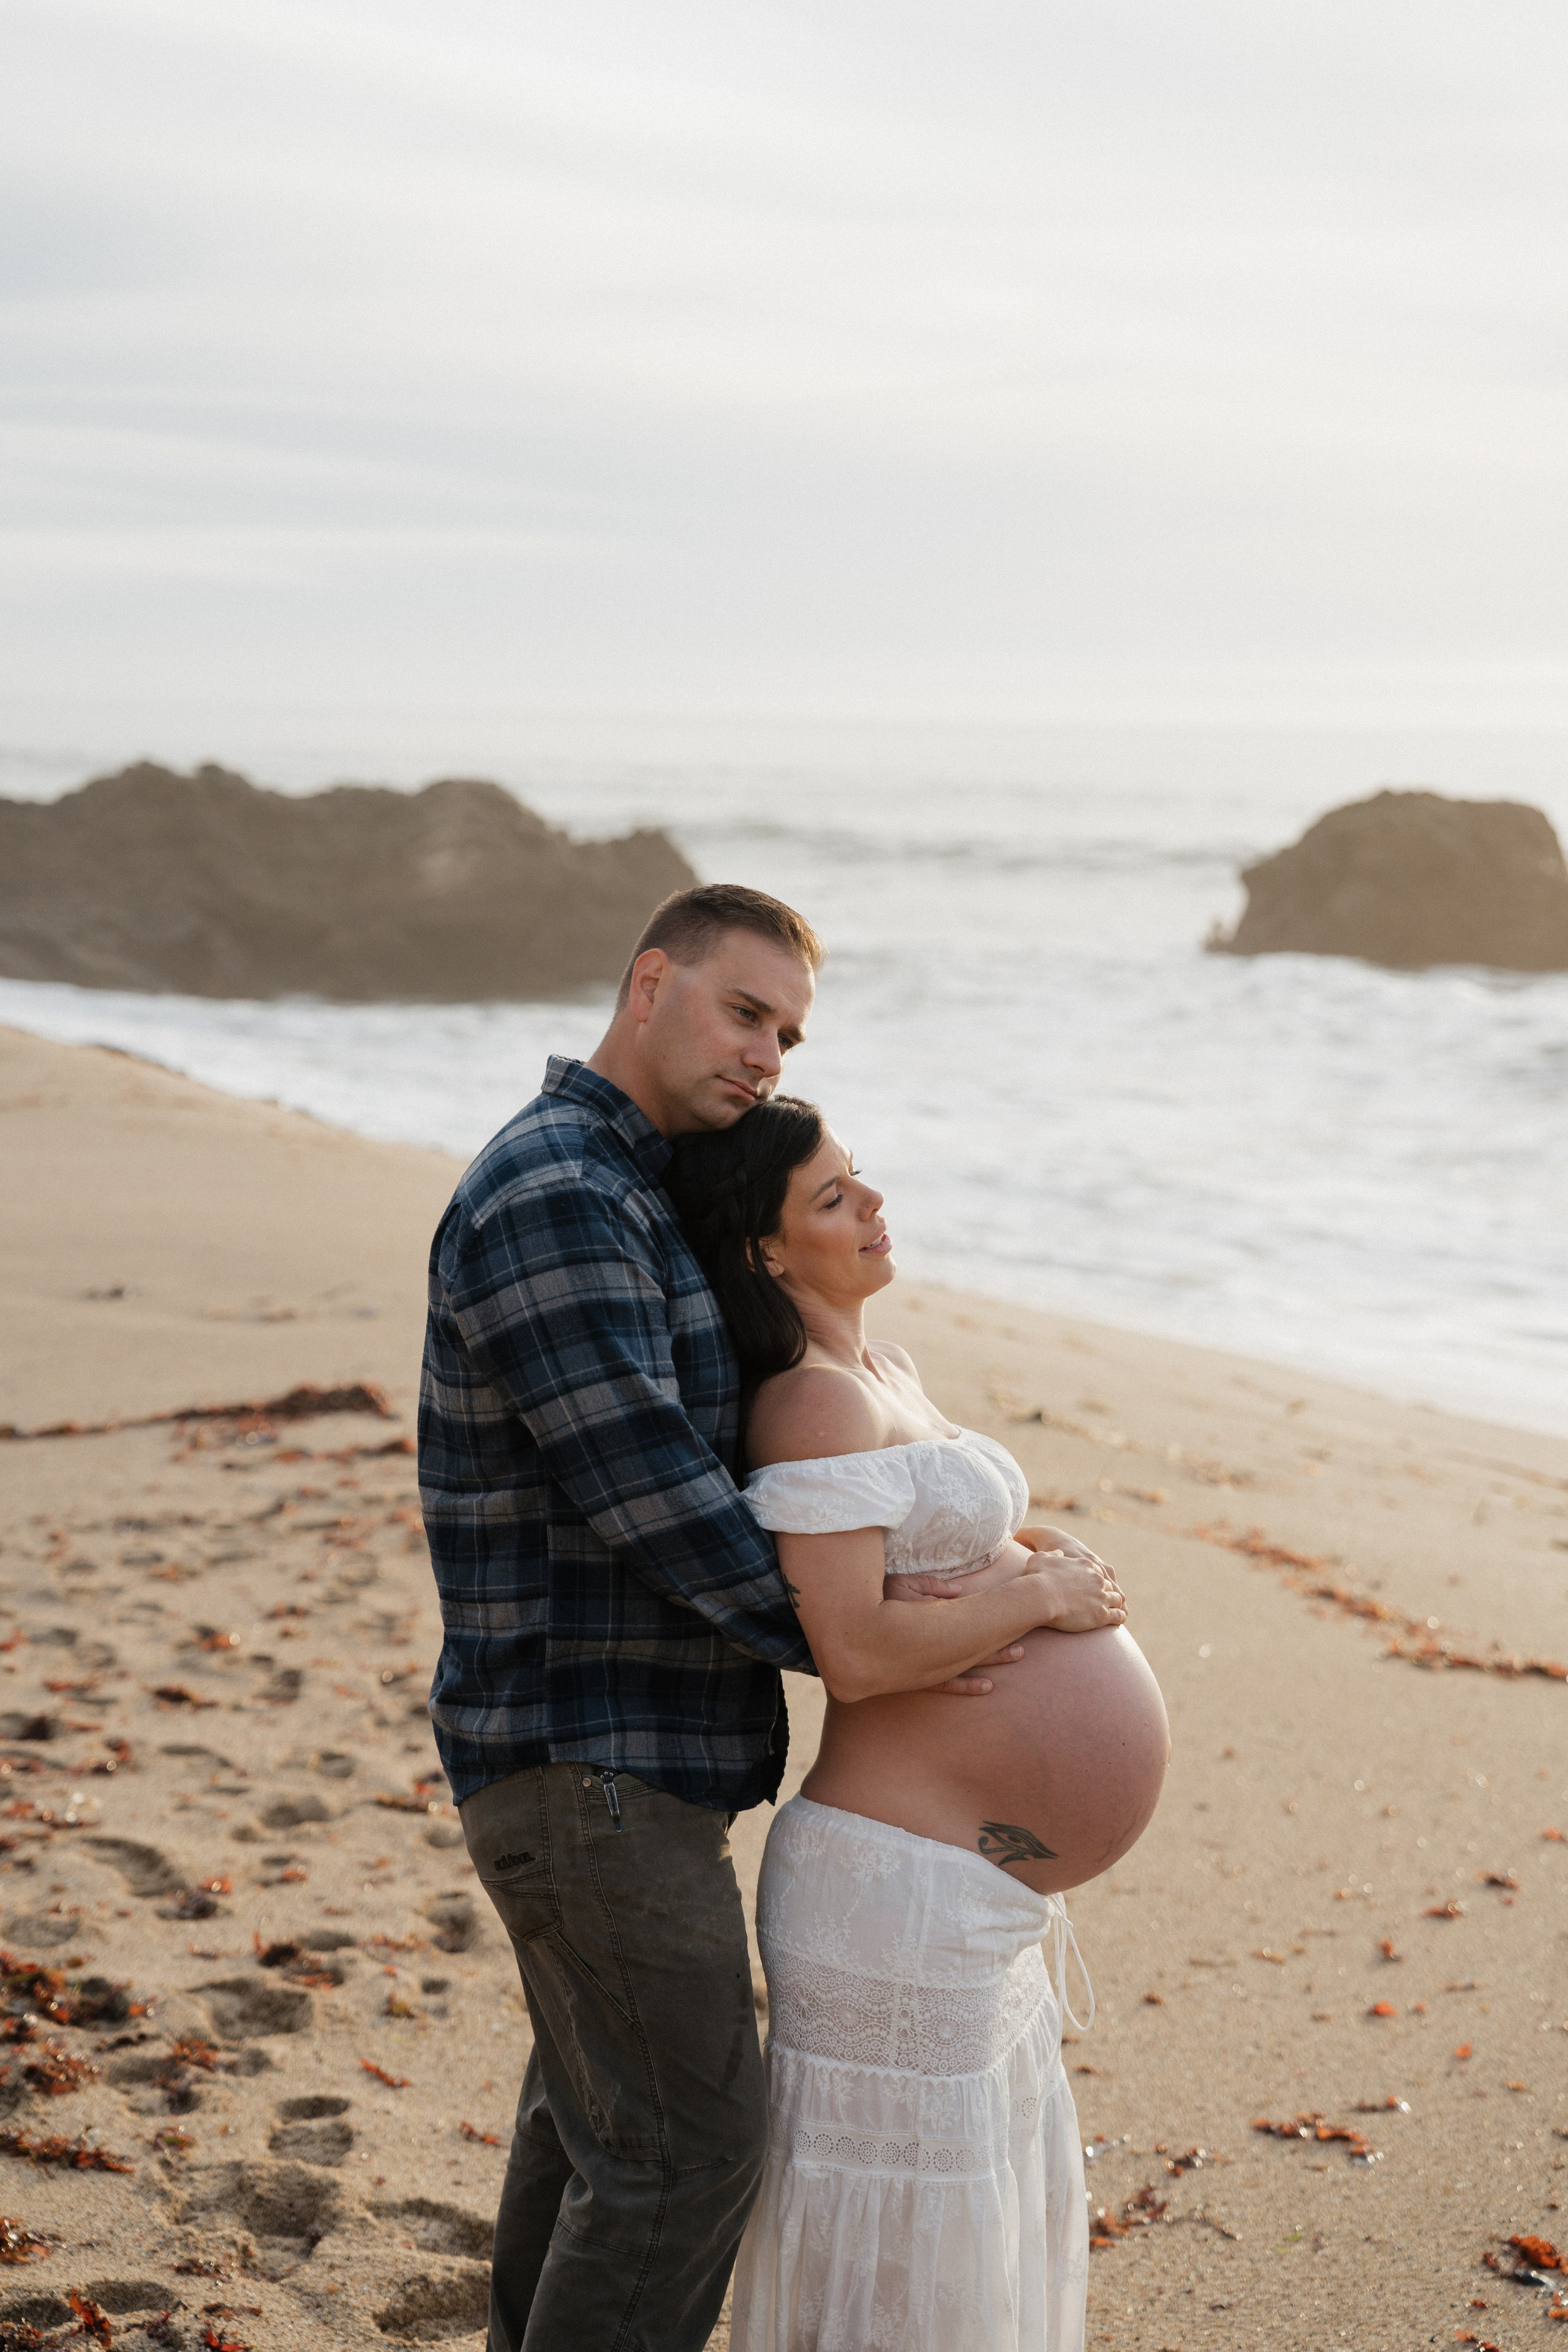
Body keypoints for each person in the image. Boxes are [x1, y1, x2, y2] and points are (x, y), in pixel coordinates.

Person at [420, 885, 1065, 2352]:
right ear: (649, 983)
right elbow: (651, 1489)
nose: (766, 1052)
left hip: (626, 1765)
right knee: (682, 2158)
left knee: (593, 2141)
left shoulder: (643, 1189)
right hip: (581, 1763)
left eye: (786, 1031)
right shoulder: (559, 1194)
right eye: (742, 1012)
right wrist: (891, 1632)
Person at [664, 1098, 1169, 2352]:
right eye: (831, 1201)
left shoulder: (883, 1374)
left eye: (859, 1181)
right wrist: (1042, 1595)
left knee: (959, 2222)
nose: (872, 1206)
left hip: (952, 1892)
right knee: (899, 2258)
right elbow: (851, 1650)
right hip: (889, 1895)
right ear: (765, 1255)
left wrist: (1033, 1559)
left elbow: (937, 1553)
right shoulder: (810, 1403)